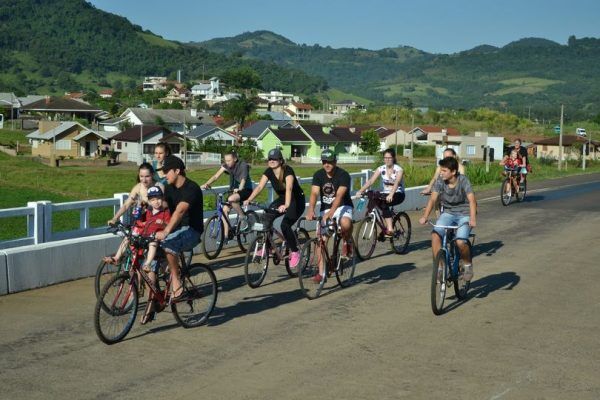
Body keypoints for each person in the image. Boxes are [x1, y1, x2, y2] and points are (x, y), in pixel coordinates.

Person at [243, 148, 305, 268]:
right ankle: (267, 246)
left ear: (280, 160)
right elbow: (260, 186)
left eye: (274, 159)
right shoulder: (269, 171)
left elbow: (289, 189)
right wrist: (249, 199)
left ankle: (295, 252)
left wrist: (286, 205)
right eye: (270, 159)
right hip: (283, 199)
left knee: (285, 225)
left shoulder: (287, 170)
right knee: (267, 216)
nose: (271, 161)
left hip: (296, 200)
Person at [419, 157, 477, 282]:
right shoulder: (440, 182)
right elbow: (433, 199)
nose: (441, 173)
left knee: (460, 242)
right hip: (448, 213)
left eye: (444, 170)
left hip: (464, 214)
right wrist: (425, 216)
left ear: (453, 172)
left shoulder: (463, 181)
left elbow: (472, 201)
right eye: (441, 170)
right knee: (435, 235)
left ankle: (467, 265)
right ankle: (440, 269)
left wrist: (472, 218)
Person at [154, 155, 204, 302]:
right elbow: (164, 205)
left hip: (191, 230)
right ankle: (157, 296)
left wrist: (166, 231)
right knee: (152, 250)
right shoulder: (169, 188)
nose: (164, 175)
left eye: (166, 171)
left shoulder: (191, 188)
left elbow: (180, 211)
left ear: (177, 171)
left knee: (168, 244)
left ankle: (176, 283)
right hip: (177, 229)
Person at [306, 149, 354, 282]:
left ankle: (347, 241)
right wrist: (311, 209)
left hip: (343, 206)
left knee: (345, 223)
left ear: (335, 161)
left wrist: (331, 212)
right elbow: (314, 193)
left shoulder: (343, 175)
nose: (327, 164)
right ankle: (321, 273)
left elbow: (339, 195)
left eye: (330, 162)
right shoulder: (318, 175)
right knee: (321, 241)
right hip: (325, 209)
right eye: (324, 162)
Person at [104, 162, 164, 264]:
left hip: (155, 221)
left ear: (152, 175)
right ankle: (117, 258)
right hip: (142, 222)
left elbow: (161, 204)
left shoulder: (159, 186)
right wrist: (115, 218)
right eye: (141, 176)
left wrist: (146, 204)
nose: (144, 180)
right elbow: (126, 204)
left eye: (147, 176)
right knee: (130, 236)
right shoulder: (138, 187)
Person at [138, 185, 171, 324]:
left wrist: (162, 223)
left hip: (163, 247)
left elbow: (169, 226)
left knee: (150, 270)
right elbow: (140, 222)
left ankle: (150, 307)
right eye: (153, 199)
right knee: (145, 274)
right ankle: (151, 300)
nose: (156, 201)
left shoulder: (165, 212)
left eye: (158, 198)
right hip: (151, 247)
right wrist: (140, 209)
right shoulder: (149, 212)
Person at [202, 151, 253, 240]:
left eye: (229, 160)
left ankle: (243, 217)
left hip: (245, 189)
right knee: (224, 210)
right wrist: (207, 184)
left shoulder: (243, 165)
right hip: (234, 191)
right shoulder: (226, 166)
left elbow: (243, 180)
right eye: (226, 160)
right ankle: (227, 234)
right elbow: (216, 176)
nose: (227, 162)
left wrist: (239, 189)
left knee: (231, 199)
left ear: (235, 159)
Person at [356, 148, 405, 237]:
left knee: (384, 204)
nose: (387, 160)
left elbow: (397, 182)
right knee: (376, 200)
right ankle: (385, 225)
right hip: (385, 193)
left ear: (393, 158)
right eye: (385, 158)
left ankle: (390, 229)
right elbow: (371, 181)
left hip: (398, 194)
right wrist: (360, 191)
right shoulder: (381, 168)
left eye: (389, 158)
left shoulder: (399, 169)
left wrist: (391, 194)